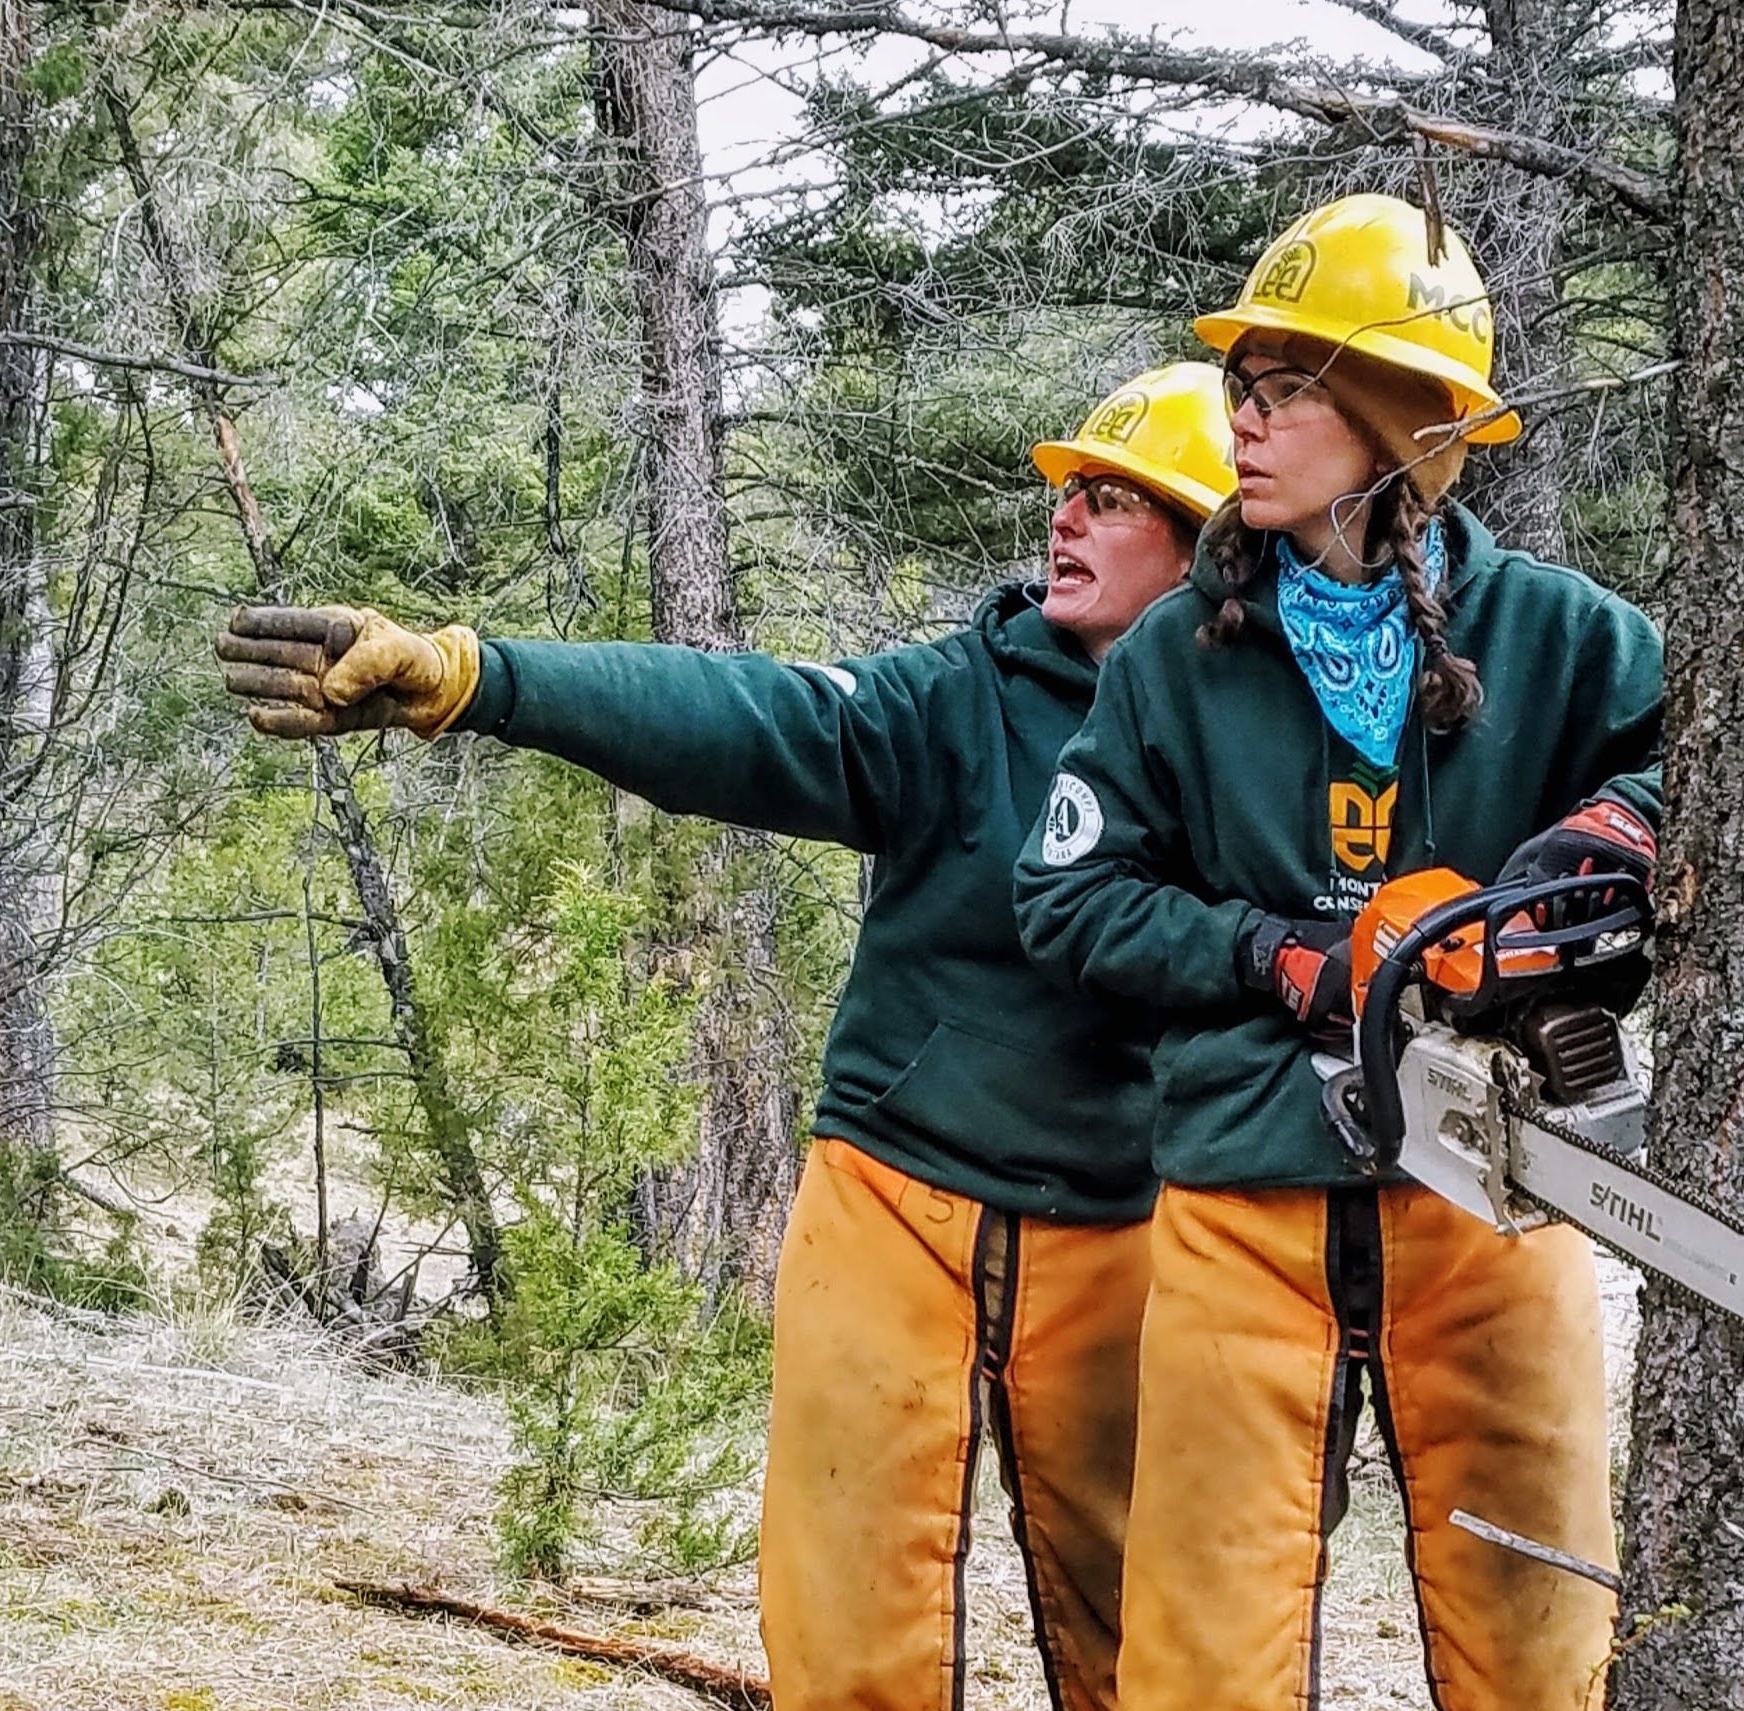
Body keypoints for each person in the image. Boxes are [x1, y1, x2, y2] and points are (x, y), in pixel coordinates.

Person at [214, 362, 1237, 1711]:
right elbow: (743, 714)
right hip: (897, 1202)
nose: (1067, 519)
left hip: (1127, 1224)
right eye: (1068, 491)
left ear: (1213, 547)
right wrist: (474, 675)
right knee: (850, 1620)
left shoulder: (1257, 737)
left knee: (1154, 1635)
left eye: (1116, 500)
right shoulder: (954, 702)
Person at [1013, 196, 1664, 1711]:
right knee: (1203, 1644)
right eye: (1242, 383)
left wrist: (1599, 854)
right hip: (1243, 1186)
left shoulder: (1561, 636)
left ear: (1403, 418)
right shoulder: (1181, 652)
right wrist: (1281, 958)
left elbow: (1705, 769)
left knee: (1545, 1630)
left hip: (1499, 1183)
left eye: (1285, 385)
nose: (1238, 419)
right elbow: (1071, 895)